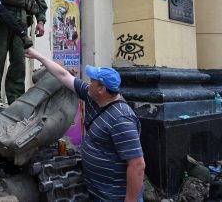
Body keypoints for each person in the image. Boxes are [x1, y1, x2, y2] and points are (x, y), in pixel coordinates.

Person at [24, 47, 145, 202]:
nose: (88, 83)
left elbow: (137, 165)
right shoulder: (93, 97)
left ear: (101, 89)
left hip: (114, 197)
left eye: (92, 81)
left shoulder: (121, 119)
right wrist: (37, 55)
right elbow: (63, 75)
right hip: (96, 192)